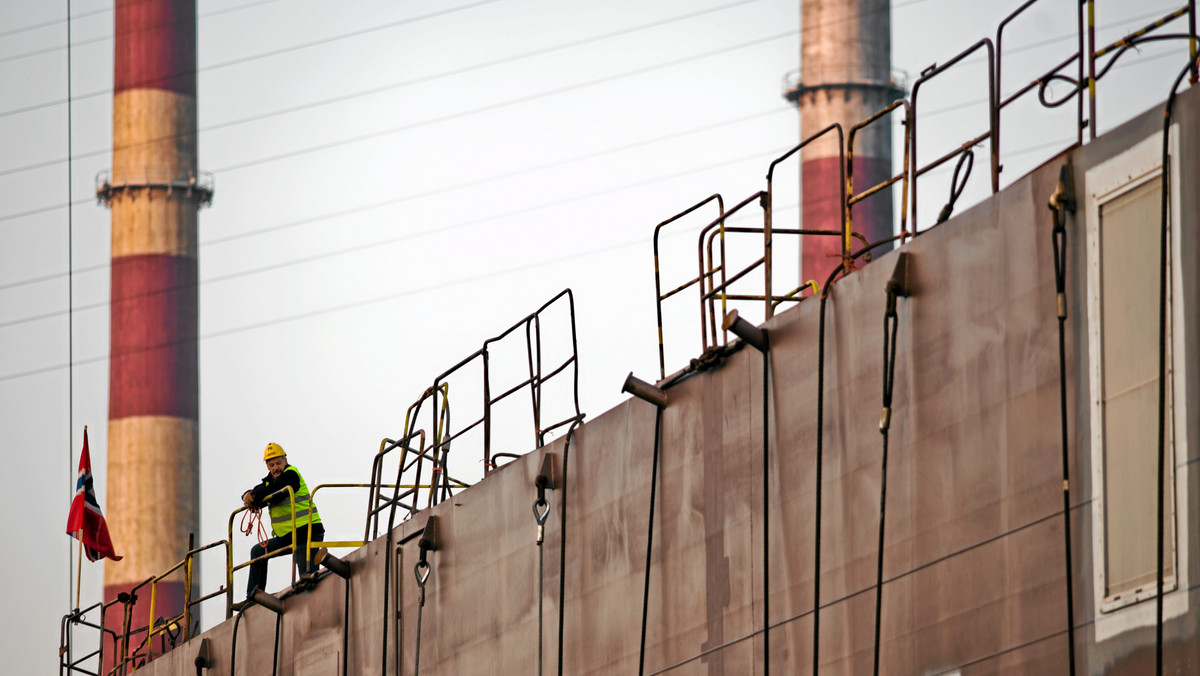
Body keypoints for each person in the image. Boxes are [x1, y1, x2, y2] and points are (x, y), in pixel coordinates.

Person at [240, 442, 325, 602]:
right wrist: (248, 496)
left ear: (285, 461)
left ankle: (312, 593)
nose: (275, 468)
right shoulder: (269, 482)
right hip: (288, 535)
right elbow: (259, 491)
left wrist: (256, 496)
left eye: (278, 463)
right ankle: (253, 597)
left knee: (308, 577)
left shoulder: (291, 474)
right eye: (271, 465)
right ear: (267, 466)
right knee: (258, 552)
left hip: (307, 531)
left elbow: (276, 490)